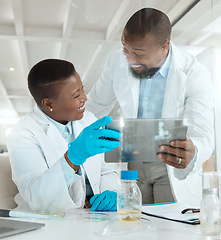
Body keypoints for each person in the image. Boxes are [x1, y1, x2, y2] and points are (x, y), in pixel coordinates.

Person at [86, 8, 214, 206]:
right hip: (132, 166)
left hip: (170, 166)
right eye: (125, 49)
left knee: (169, 231)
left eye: (139, 53)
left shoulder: (194, 73)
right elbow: (94, 107)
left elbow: (203, 133)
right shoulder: (116, 61)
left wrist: (193, 151)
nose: (129, 59)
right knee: (134, 227)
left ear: (164, 47)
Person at [6, 59, 121, 212]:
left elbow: (107, 170)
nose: (84, 98)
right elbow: (37, 199)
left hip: (93, 215)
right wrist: (72, 158)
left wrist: (111, 191)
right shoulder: (23, 134)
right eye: (76, 95)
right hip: (49, 219)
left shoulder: (89, 119)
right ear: (49, 104)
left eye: (82, 89)